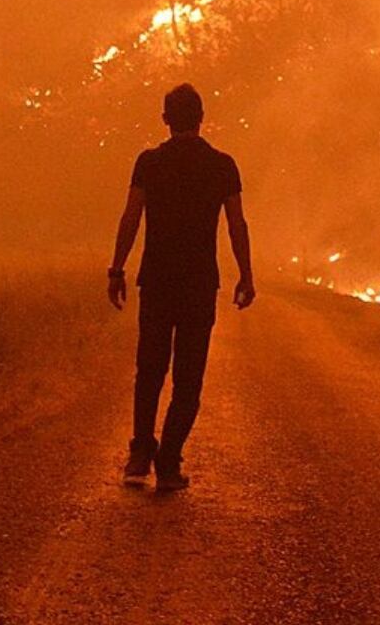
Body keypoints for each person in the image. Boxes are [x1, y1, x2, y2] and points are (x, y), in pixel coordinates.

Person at [107, 83, 254, 491]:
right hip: (199, 285)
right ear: (202, 118)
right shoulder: (223, 165)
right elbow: (236, 224)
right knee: (189, 379)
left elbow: (131, 217)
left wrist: (116, 269)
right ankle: (168, 463)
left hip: (156, 281)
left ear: (166, 119)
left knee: (150, 370)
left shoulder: (149, 163)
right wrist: (246, 274)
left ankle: (139, 455)